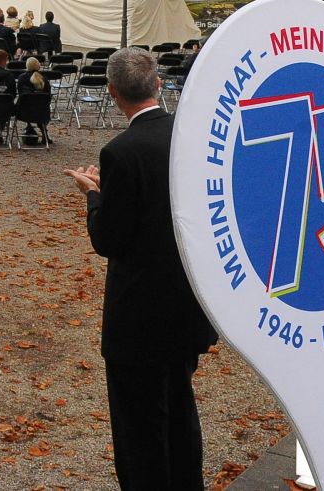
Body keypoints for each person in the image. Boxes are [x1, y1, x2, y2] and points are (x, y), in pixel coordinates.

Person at [65, 49, 216, 491]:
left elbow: (108, 239)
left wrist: (93, 196)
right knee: (180, 412)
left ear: (113, 92)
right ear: (158, 85)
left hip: (140, 313)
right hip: (188, 300)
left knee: (139, 429)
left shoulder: (121, 152)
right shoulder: (191, 137)